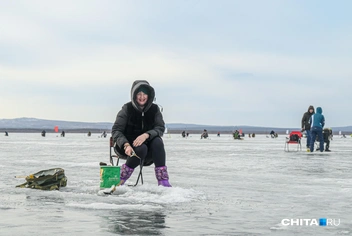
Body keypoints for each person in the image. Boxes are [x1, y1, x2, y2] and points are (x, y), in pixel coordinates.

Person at [111, 80, 171, 187]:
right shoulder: (127, 109)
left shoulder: (154, 109)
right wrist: (126, 145)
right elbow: (116, 131)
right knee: (141, 148)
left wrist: (146, 135)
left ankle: (163, 181)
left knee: (157, 141)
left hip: (149, 150)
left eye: (144, 94)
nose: (142, 97)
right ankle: (121, 178)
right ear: (134, 95)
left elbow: (160, 128)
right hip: (128, 148)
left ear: (149, 96)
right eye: (139, 94)